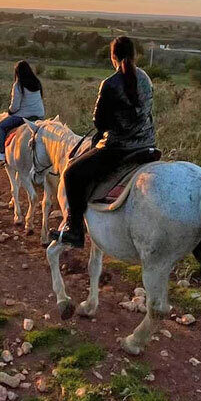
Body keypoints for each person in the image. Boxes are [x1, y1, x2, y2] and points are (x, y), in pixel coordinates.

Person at [50, 36, 155, 247]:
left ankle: (75, 230)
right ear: (134, 55)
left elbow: (99, 122)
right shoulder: (145, 78)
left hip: (118, 148)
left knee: (71, 174)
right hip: (147, 144)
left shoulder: (109, 84)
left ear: (113, 57)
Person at [0, 60, 45, 161]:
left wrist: (10, 112)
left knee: (1, 126)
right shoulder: (36, 82)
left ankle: (1, 152)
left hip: (24, 117)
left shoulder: (18, 85)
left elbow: (15, 107)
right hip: (39, 115)